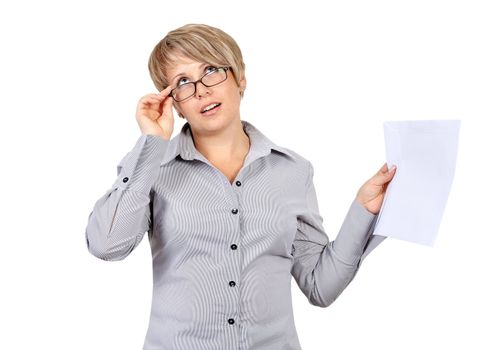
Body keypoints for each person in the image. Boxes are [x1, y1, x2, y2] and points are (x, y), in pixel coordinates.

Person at [85, 23, 397, 350]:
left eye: (211, 70)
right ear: (174, 103)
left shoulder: (292, 171)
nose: (201, 89)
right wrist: (151, 143)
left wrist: (364, 210)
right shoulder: (151, 167)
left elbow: (320, 286)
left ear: (240, 77)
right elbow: (106, 245)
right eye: (183, 82)